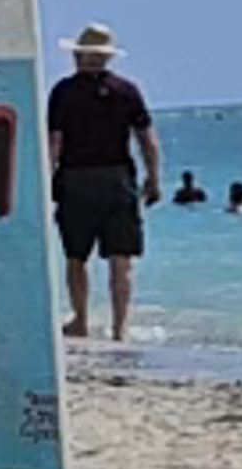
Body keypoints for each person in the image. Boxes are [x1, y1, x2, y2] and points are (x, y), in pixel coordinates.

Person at [45, 21, 163, 341]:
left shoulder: (63, 92)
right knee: (121, 258)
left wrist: (45, 181)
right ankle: (119, 328)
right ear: (107, 58)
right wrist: (154, 178)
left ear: (79, 56)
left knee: (76, 257)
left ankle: (81, 320)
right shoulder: (127, 91)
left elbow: (54, 143)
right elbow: (147, 139)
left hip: (76, 179)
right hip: (118, 178)